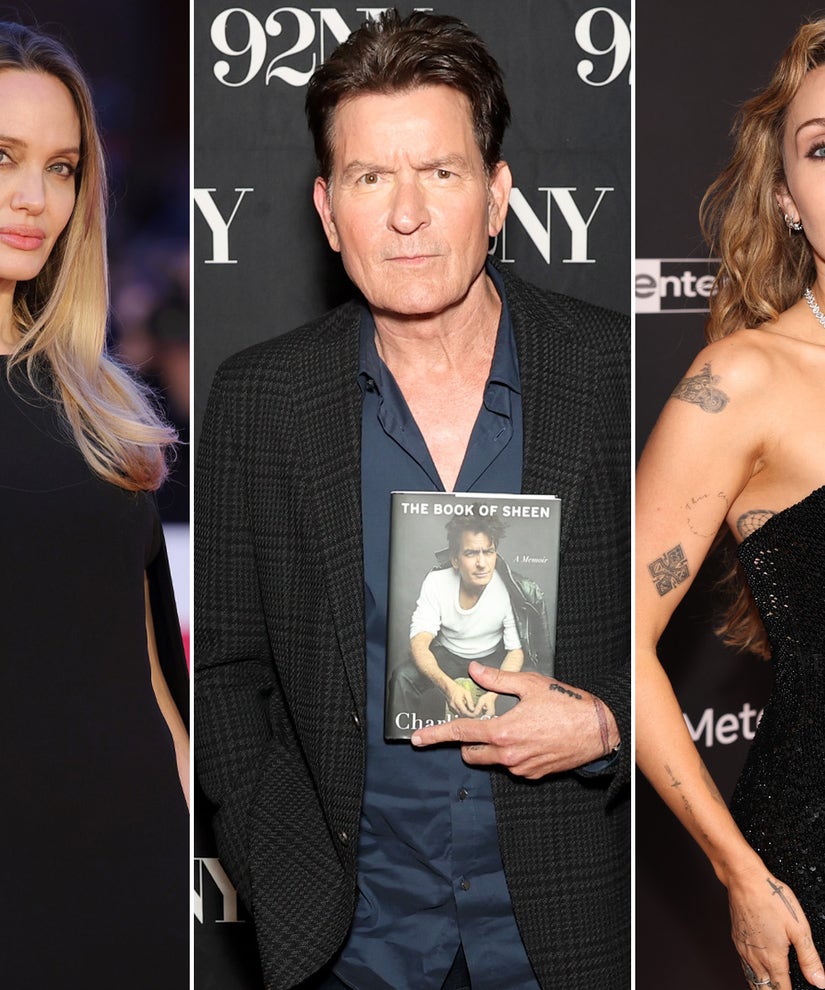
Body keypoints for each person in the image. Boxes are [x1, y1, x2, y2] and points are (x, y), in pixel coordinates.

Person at [196, 9, 629, 990]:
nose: (405, 215)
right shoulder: (260, 398)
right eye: (368, 178)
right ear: (326, 210)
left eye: (439, 173)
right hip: (354, 947)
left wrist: (610, 725)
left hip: (567, 933)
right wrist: (282, 883)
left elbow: (700, 634)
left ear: (496, 195)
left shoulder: (614, 370)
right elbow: (224, 671)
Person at [635, 19, 825, 990]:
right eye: (822, 149)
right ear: (786, 196)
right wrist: (739, 872)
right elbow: (618, 639)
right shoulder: (743, 381)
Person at [0, 21, 189, 987]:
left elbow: (149, 672)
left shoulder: (99, 402)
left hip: (131, 876)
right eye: (2, 158)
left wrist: (191, 820)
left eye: (62, 168)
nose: (35, 198)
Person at [390, 515, 526, 722]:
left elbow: (515, 651)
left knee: (536, 684)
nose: (482, 563)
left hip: (491, 657)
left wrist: (493, 694)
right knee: (402, 677)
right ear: (455, 559)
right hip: (448, 654)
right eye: (471, 553)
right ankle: (404, 738)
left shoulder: (509, 589)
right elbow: (419, 643)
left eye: (488, 552)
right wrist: (448, 687)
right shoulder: (436, 582)